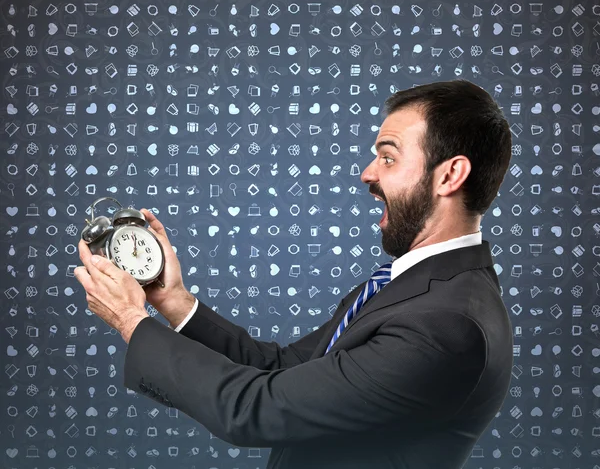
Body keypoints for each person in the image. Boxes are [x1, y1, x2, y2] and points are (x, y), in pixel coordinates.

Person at [75, 79, 514, 468]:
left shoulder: (448, 325)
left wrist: (132, 322)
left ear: (450, 174)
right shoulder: (413, 286)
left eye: (388, 158)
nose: (367, 174)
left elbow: (256, 408)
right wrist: (173, 301)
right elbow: (282, 370)